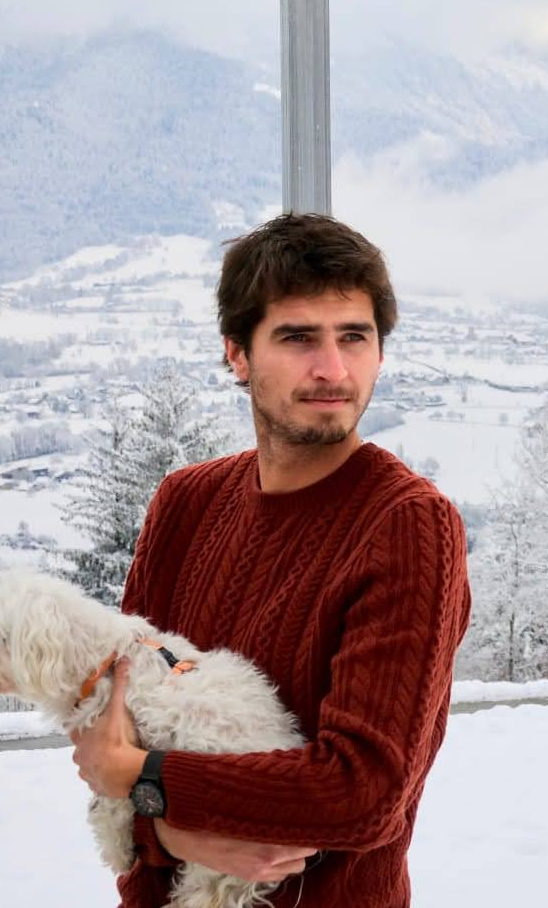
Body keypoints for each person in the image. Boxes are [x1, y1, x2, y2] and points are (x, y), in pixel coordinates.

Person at [72, 213, 471, 908]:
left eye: (355, 337)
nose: (333, 369)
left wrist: (144, 782)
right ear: (237, 353)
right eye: (298, 337)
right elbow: (113, 726)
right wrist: (168, 834)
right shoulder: (185, 502)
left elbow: (362, 793)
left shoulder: (407, 525)